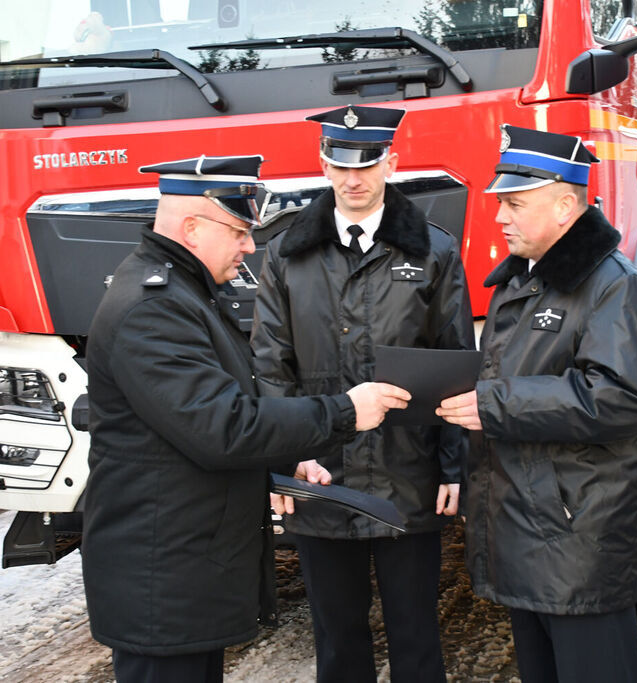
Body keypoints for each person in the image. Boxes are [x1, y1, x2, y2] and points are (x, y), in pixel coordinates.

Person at [82, 155, 410, 683]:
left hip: (177, 572)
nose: (250, 247)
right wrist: (346, 410)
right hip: (161, 583)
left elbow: (210, 419)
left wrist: (281, 461)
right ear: (192, 228)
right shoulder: (154, 308)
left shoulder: (180, 294)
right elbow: (223, 428)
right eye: (238, 231)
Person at [250, 105, 475, 683]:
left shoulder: (434, 251)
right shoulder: (285, 255)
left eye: (368, 164)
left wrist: (453, 467)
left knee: (417, 634)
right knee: (337, 637)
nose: (354, 179)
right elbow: (272, 367)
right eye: (341, 165)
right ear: (322, 165)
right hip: (319, 472)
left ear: (390, 163)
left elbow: (455, 365)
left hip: (409, 471)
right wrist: (286, 460)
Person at [437, 125, 637, 683]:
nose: (499, 217)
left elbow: (620, 397)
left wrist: (496, 403)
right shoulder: (525, 283)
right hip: (534, 531)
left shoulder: (616, 287)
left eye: (514, 203)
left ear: (566, 206)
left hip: (577, 540)